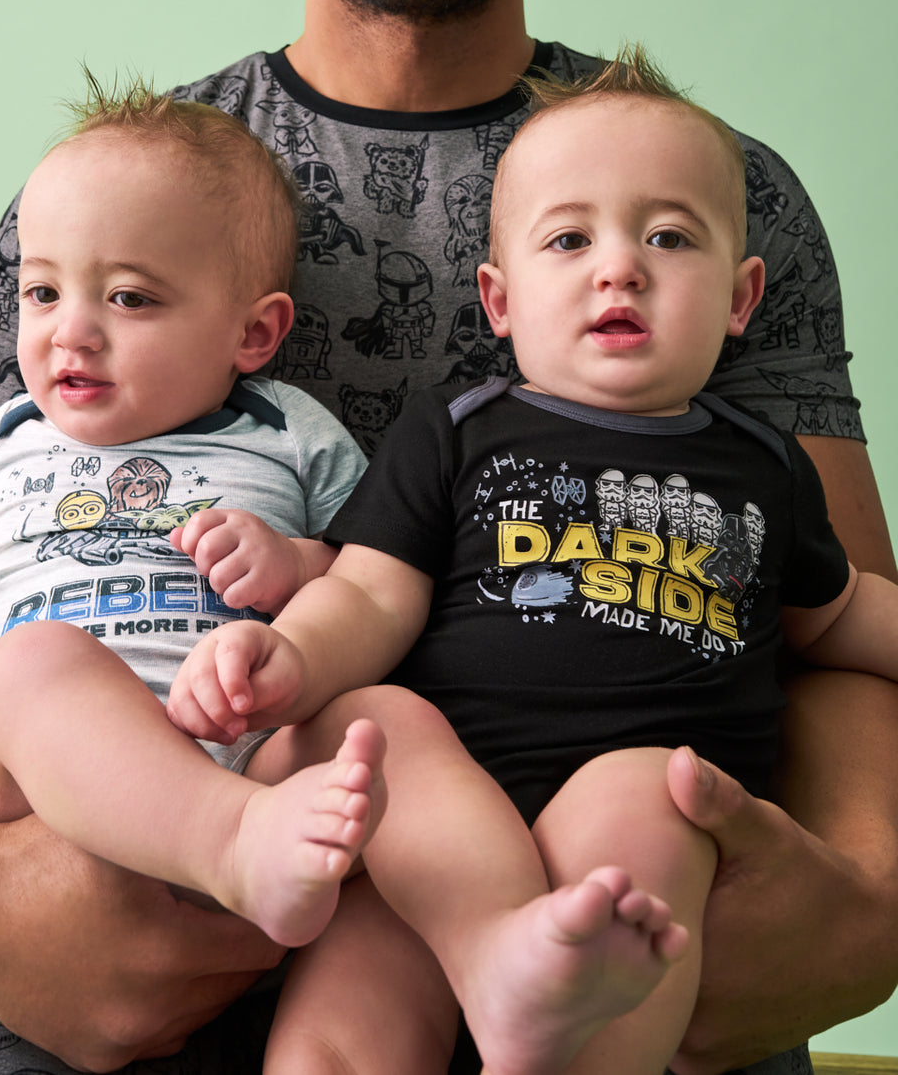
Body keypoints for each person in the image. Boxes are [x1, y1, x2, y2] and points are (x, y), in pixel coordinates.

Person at [0, 0, 893, 1075]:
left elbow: (842, 625)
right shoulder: (133, 189)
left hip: (604, 905)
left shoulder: (694, 192)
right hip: (125, 900)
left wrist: (867, 900)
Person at [184, 55, 898, 1075]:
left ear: (741, 298)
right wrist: (289, 657)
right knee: (372, 728)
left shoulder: (762, 464)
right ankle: (487, 967)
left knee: (656, 794)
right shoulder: (460, 430)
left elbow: (832, 619)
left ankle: (555, 1036)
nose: (620, 268)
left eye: (667, 237)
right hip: (442, 834)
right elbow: (371, 591)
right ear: (500, 298)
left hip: (632, 823)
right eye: (571, 239)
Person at [0, 82, 394, 950]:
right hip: (45, 788)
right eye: (43, 293)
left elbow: (375, 573)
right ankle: (231, 843)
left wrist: (299, 566)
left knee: (393, 727)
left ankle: (496, 933)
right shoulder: (1, 441)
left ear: (253, 334)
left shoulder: (287, 433)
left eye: (128, 299)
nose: (71, 334)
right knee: (29, 664)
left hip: (248, 749)